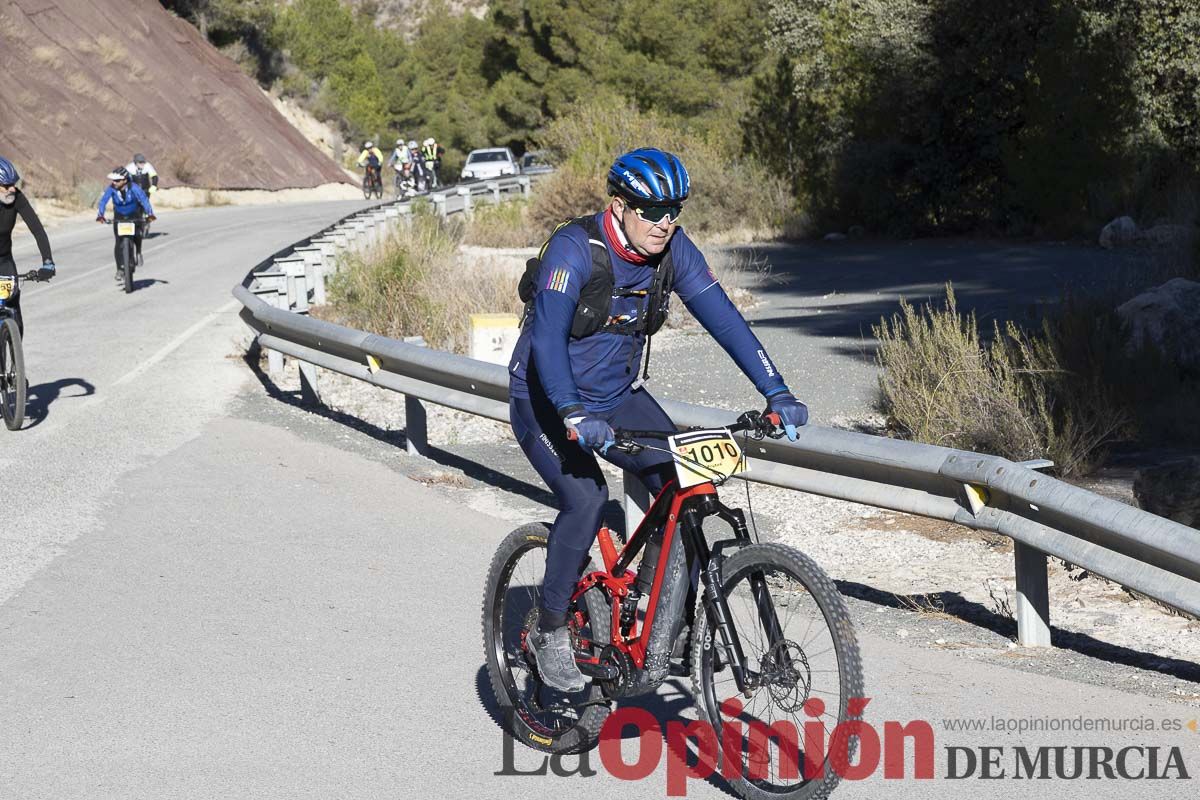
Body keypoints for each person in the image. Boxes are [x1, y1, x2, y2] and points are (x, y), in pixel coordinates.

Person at [509, 147, 809, 692]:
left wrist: (776, 389)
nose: (665, 223)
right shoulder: (575, 250)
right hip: (546, 400)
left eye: (674, 210)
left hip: (617, 396)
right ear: (619, 205)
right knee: (585, 500)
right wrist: (573, 411)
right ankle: (550, 629)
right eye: (651, 211)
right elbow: (548, 342)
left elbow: (726, 320)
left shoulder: (673, 251)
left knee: (685, 486)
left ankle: (656, 616)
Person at [0, 156, 56, 336]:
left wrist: (48, 262)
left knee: (13, 307)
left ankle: (15, 358)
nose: (12, 189)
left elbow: (38, 230)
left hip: (4, 259)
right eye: (6, 185)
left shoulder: (17, 198)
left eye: (13, 184)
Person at [96, 167, 155, 280]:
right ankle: (120, 269)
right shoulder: (111, 189)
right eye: (113, 180)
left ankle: (138, 252)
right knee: (118, 242)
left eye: (117, 180)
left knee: (138, 234)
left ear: (125, 180)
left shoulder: (134, 188)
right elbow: (103, 201)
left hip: (134, 214)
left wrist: (150, 214)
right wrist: (100, 215)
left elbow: (144, 200)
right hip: (119, 216)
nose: (114, 182)